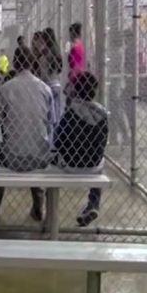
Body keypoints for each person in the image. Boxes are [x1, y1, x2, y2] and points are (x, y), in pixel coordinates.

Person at [0, 46, 56, 222]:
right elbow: (50, 122)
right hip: (39, 156)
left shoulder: (5, 89)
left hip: (11, 156)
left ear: (15, 63)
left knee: (0, 151)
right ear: (33, 63)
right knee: (35, 141)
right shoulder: (45, 89)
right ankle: (38, 205)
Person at [54, 71, 107, 227]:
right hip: (94, 165)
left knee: (51, 157)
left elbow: (58, 141)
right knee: (103, 162)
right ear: (94, 91)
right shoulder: (102, 113)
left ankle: (50, 214)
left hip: (70, 164)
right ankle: (93, 203)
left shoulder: (70, 112)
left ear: (76, 90)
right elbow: (102, 141)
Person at [33, 28, 63, 120]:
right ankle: (56, 131)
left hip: (47, 85)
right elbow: (59, 69)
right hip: (56, 84)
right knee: (57, 112)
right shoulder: (57, 52)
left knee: (48, 114)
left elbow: (41, 72)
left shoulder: (44, 54)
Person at [68, 22, 85, 90]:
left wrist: (72, 76)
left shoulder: (75, 46)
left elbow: (75, 63)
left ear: (73, 33)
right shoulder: (80, 44)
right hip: (78, 76)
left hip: (76, 77)